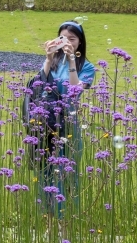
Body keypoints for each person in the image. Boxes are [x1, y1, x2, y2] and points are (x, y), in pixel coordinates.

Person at [29, 21, 96, 219]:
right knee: (45, 169)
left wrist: (72, 62)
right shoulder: (54, 62)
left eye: (72, 39)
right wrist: (48, 59)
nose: (67, 42)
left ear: (80, 42)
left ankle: (66, 217)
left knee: (68, 170)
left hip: (69, 123)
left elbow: (75, 92)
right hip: (46, 122)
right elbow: (38, 87)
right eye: (63, 38)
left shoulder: (88, 67)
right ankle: (46, 215)